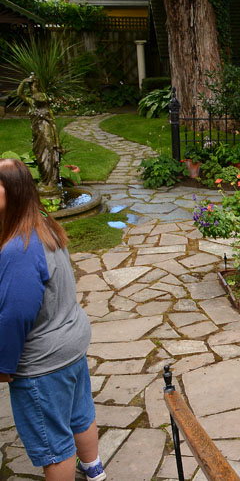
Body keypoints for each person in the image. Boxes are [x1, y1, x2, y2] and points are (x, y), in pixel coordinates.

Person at [0, 158, 105, 481]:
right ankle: (95, 472)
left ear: (12, 193)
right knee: (80, 416)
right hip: (70, 343)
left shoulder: (19, 248)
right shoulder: (43, 224)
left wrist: (4, 366)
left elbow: (16, 316)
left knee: (55, 448)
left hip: (42, 362)